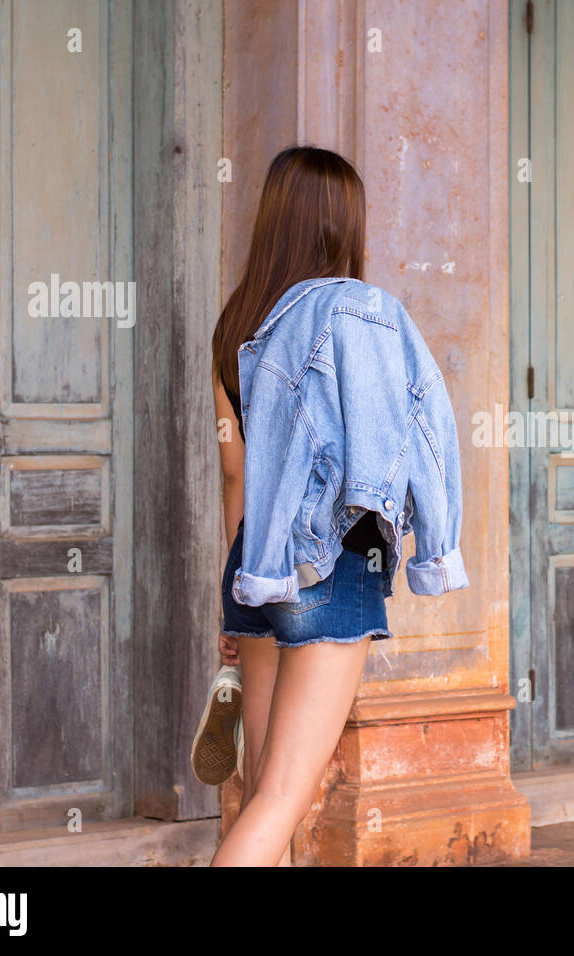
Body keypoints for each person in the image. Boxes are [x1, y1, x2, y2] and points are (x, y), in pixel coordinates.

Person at [200, 145, 467, 866]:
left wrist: (240, 591)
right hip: (335, 565)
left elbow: (237, 475)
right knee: (285, 797)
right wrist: (429, 544)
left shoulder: (235, 329)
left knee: (264, 793)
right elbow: (406, 437)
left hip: (258, 561)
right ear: (343, 224)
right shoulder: (363, 316)